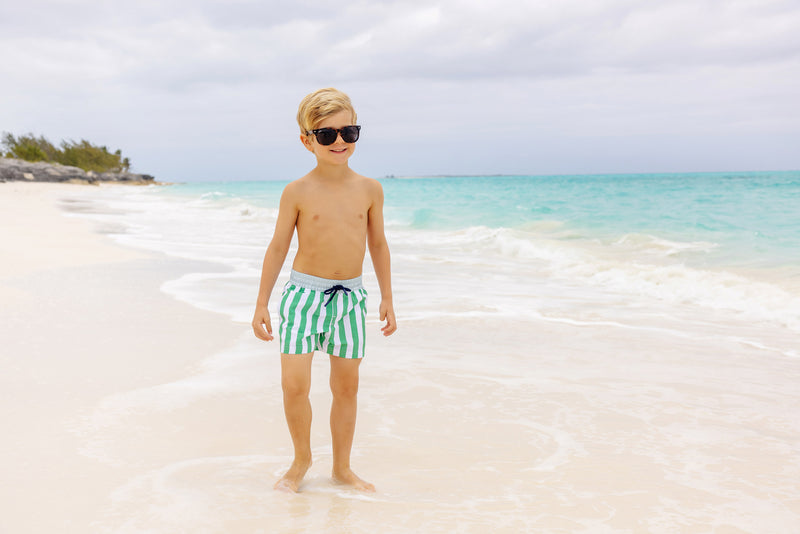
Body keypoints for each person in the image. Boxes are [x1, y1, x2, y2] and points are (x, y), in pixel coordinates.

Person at [252, 87, 397, 493]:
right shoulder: (296, 191)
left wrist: (387, 297)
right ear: (307, 140)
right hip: (303, 297)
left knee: (346, 386)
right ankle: (301, 461)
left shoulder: (370, 189)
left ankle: (342, 468)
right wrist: (261, 302)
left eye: (348, 132)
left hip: (351, 299)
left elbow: (379, 244)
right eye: (327, 134)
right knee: (294, 384)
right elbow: (279, 245)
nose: (339, 142)